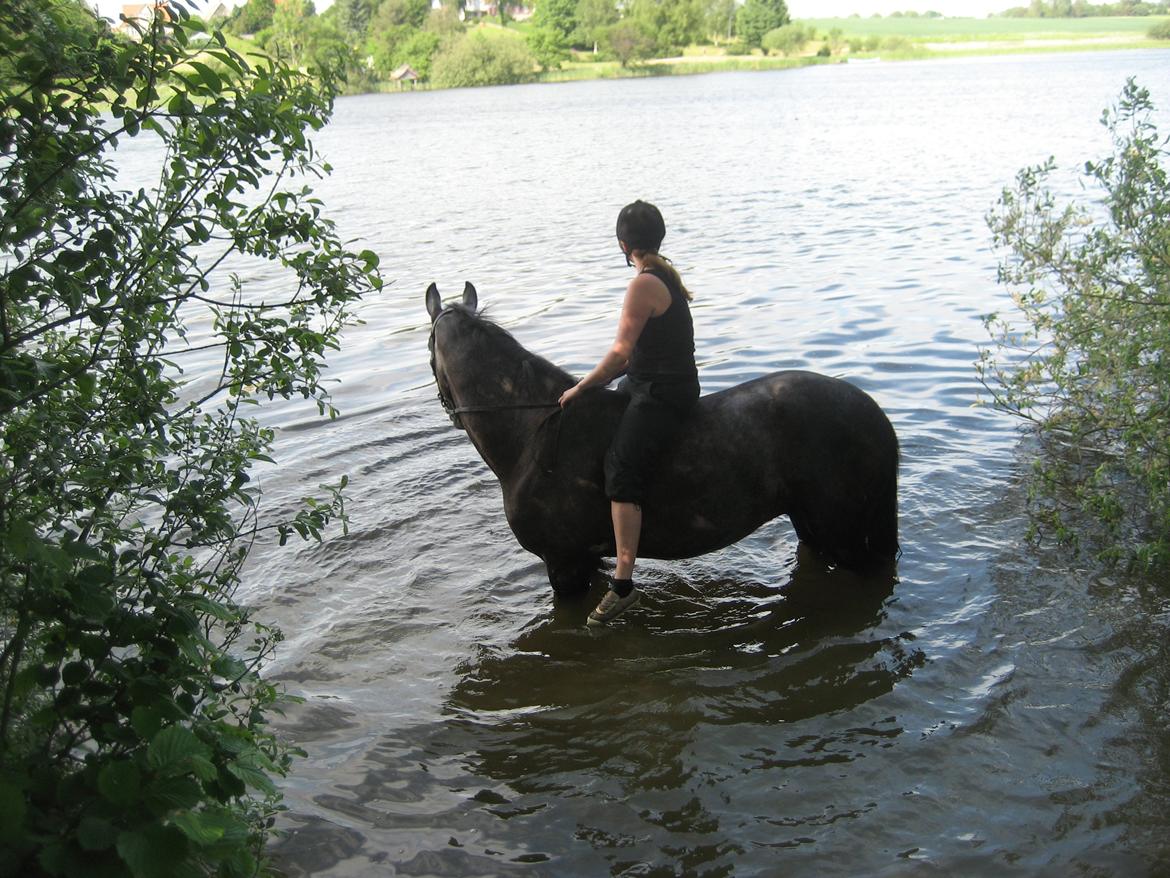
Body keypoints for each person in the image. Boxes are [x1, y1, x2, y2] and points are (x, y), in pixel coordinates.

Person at [558, 200, 700, 626]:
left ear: (623, 244)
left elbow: (620, 354)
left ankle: (622, 584)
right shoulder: (659, 274)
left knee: (621, 470)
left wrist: (582, 385)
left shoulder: (643, 284)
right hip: (647, 380)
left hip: (663, 391)